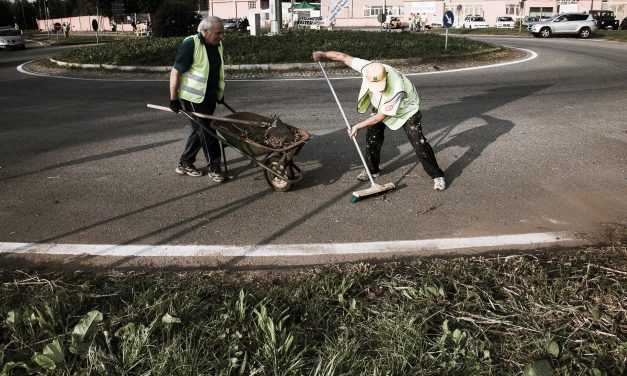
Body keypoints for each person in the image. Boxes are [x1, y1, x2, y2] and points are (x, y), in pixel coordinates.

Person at [312, 51, 446, 191]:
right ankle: (372, 170)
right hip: (381, 106)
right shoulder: (368, 68)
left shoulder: (396, 88)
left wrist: (357, 126)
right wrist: (322, 54)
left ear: (386, 77)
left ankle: (437, 175)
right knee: (373, 138)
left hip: (407, 110)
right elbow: (343, 57)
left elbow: (380, 117)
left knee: (419, 143)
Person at [169, 16, 226, 182]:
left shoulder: (217, 44)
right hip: (193, 98)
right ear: (205, 31)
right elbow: (175, 71)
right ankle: (214, 167)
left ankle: (185, 163)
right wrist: (173, 98)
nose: (221, 36)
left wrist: (220, 94)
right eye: (218, 33)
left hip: (209, 96)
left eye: (222, 33)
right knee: (208, 131)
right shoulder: (191, 44)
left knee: (198, 130)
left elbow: (216, 71)